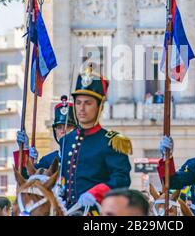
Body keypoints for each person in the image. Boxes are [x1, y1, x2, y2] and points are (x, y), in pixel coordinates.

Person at [60, 65, 132, 215]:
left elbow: (122, 179)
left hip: (98, 210)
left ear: (100, 107)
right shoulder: (66, 140)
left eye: (88, 103)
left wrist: (95, 193)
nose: (81, 108)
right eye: (78, 103)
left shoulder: (112, 141)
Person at [15, 95, 77, 171]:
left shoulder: (83, 155)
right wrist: (25, 151)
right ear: (55, 131)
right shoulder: (47, 161)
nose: (63, 131)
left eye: (68, 127)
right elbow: (25, 177)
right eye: (59, 127)